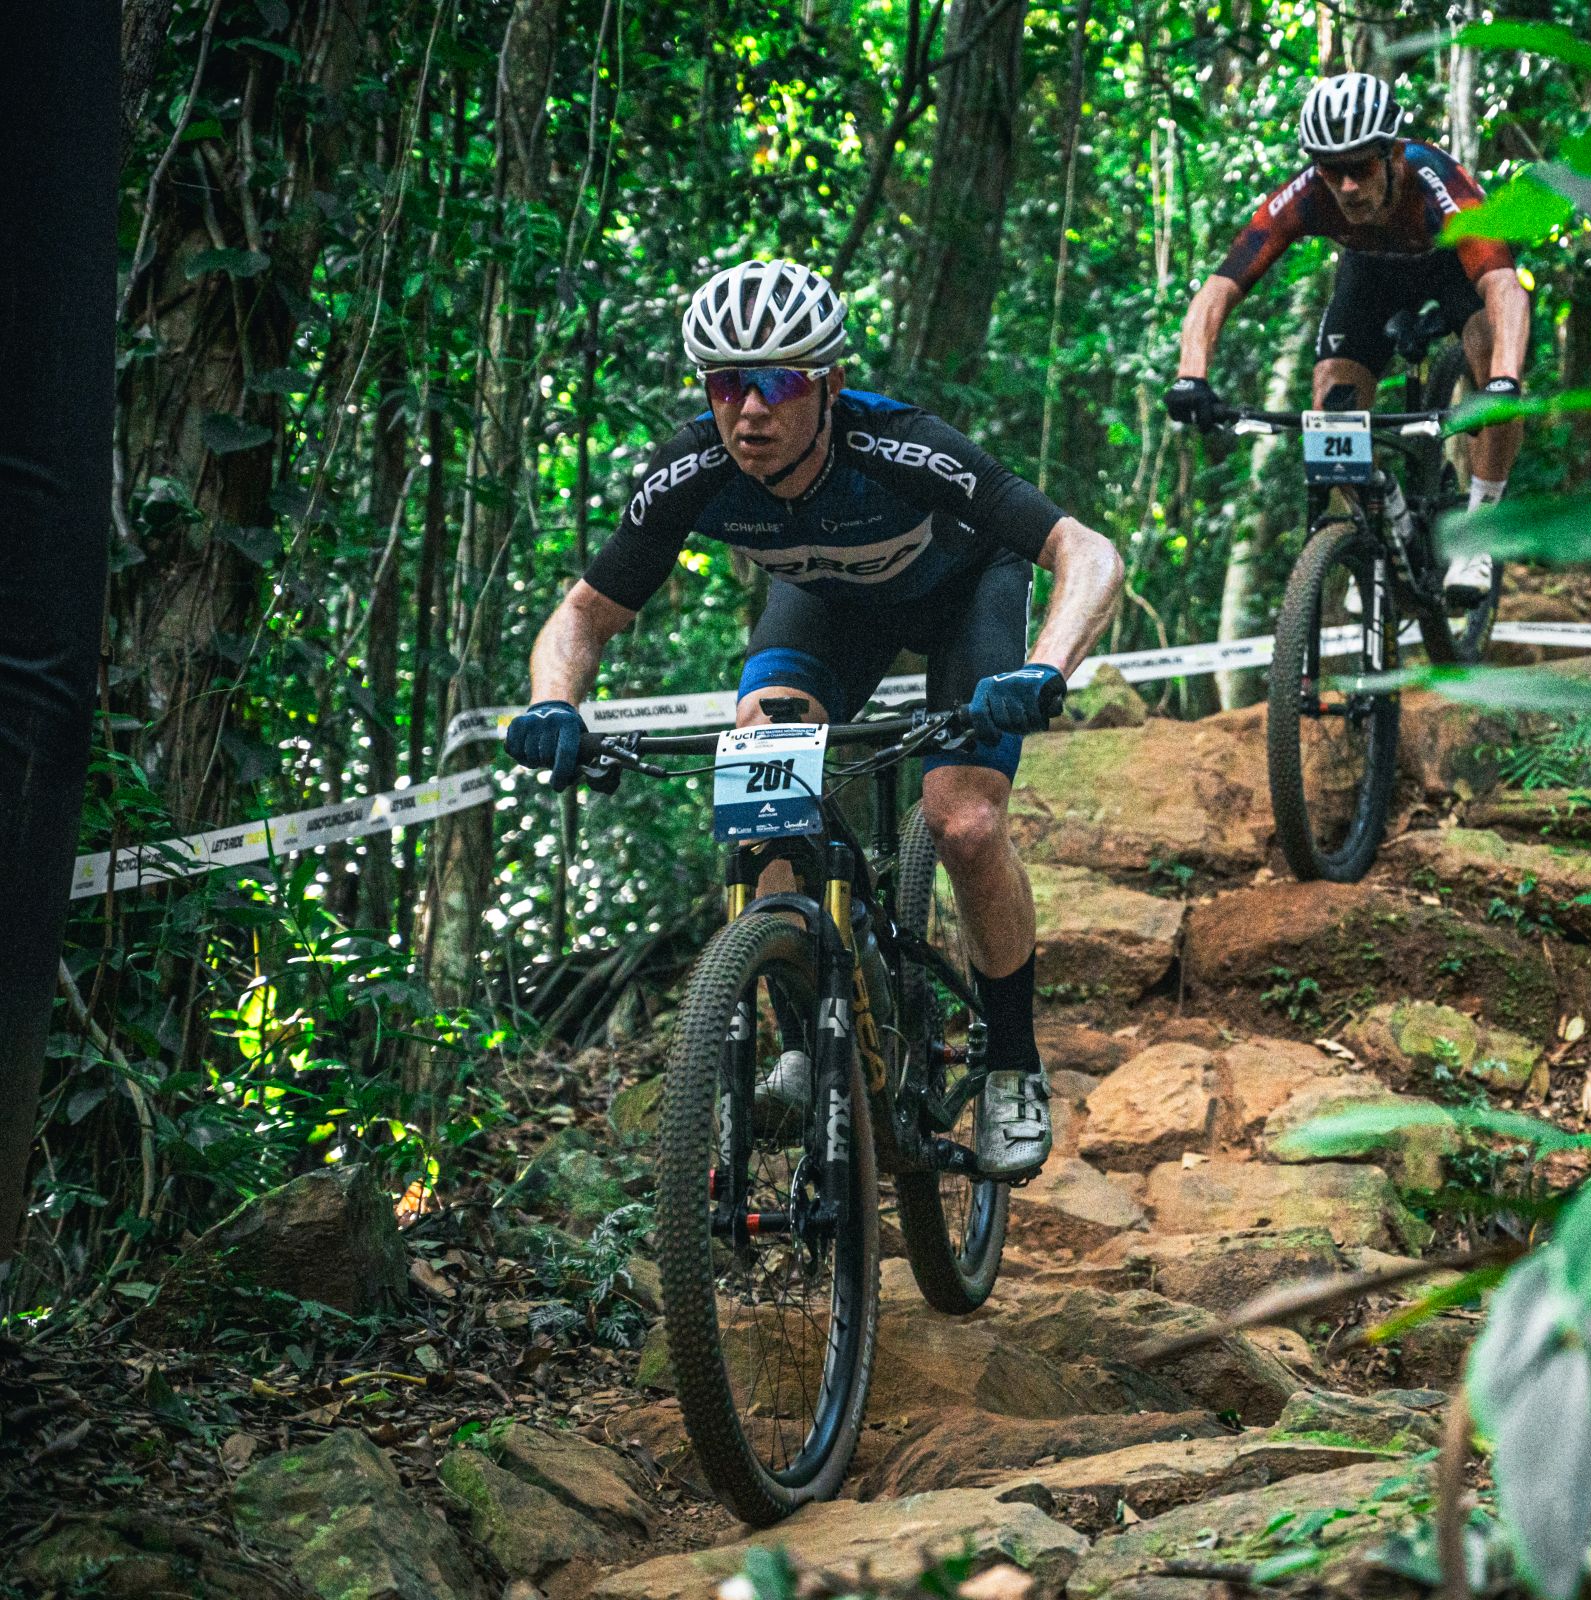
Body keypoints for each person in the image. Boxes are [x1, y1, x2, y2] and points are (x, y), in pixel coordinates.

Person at [504, 259, 1123, 1179]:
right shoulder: (691, 472)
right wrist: (553, 705)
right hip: (829, 609)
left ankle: (1009, 1065)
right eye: (726, 383)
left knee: (962, 815)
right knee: (761, 770)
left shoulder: (901, 446)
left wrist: (1044, 667)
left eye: (778, 380)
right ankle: (804, 1032)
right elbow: (584, 614)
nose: (749, 410)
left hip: (961, 598)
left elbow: (1087, 550)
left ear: (828, 384)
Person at [1165, 70, 1530, 604]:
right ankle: (1371, 537)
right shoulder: (1309, 195)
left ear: (1392, 156)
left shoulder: (1435, 185)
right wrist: (1190, 377)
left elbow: (1503, 286)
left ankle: (1481, 527)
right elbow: (1219, 288)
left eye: (1360, 168)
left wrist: (1504, 381)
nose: (1347, 186)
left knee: (1488, 347)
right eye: (1332, 171)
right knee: (1331, 403)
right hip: (1371, 278)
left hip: (1452, 273)